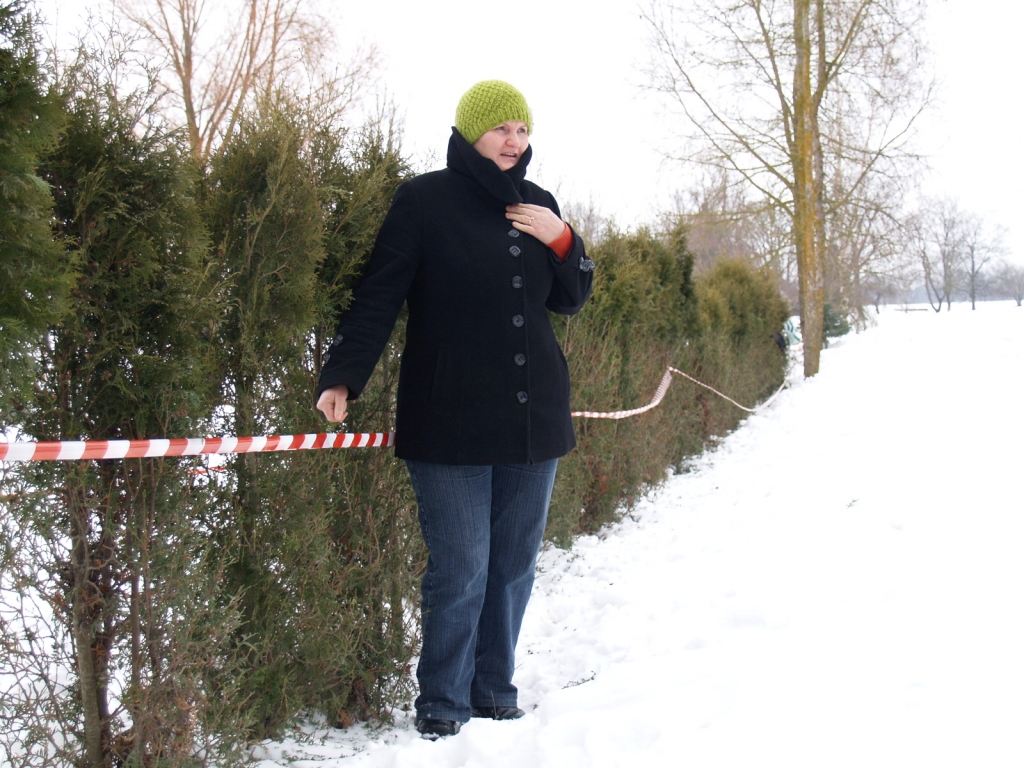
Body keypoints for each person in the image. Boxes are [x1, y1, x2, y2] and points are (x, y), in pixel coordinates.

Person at [315, 80, 595, 740]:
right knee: (462, 568)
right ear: (471, 133)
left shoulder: (540, 204)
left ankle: (494, 688)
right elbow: (379, 294)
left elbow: (571, 299)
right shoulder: (423, 201)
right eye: (501, 128)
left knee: (513, 568)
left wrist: (563, 239)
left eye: (522, 130)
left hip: (533, 419)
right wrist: (344, 376)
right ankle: (442, 700)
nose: (513, 140)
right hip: (449, 419)